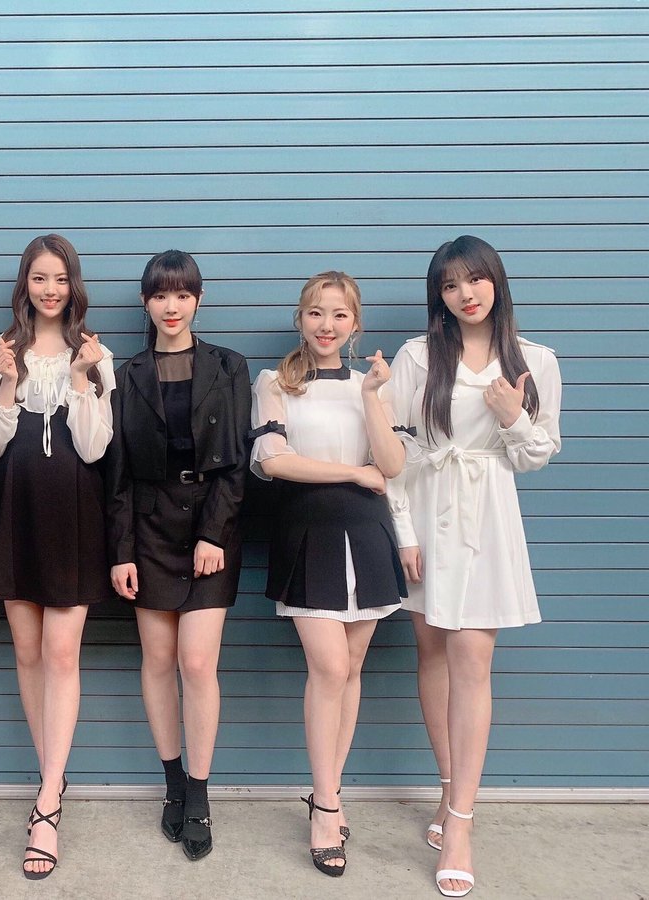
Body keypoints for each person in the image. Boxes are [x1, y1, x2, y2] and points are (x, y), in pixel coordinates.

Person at [387, 236, 562, 898]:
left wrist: (513, 418)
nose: (466, 293)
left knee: (472, 660)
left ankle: (460, 822)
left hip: (487, 516)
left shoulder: (535, 360)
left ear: (496, 282)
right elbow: (393, 450)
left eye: (476, 279)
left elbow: (537, 454)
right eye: (451, 283)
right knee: (431, 652)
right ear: (439, 294)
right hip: (427, 514)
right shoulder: (416, 356)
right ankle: (448, 787)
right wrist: (403, 532)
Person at [249, 271, 408, 877]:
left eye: (339, 315)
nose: (327, 325)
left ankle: (329, 794)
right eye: (316, 312)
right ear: (301, 318)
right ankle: (325, 805)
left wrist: (371, 397)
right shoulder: (276, 382)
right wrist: (351, 472)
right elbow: (274, 461)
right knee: (330, 668)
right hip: (307, 533)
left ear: (355, 323)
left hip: (367, 537)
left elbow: (392, 464)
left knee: (352, 669)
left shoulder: (373, 385)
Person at [0, 234, 115, 879]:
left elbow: (93, 448)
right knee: (28, 653)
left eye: (60, 278)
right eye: (39, 278)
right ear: (24, 284)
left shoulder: (96, 355)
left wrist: (82, 379)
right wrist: (7, 386)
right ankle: (49, 780)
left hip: (74, 515)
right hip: (15, 511)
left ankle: (48, 802)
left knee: (62, 654)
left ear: (73, 285)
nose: (50, 289)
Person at [106, 250, 251, 862]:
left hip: (211, 525)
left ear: (198, 299)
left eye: (183, 294)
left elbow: (238, 461)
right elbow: (116, 473)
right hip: (148, 527)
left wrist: (214, 535)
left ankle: (199, 790)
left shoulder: (229, 366)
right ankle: (172, 783)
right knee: (158, 658)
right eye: (161, 295)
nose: (172, 306)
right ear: (146, 302)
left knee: (196, 662)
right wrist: (121, 551)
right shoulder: (126, 373)